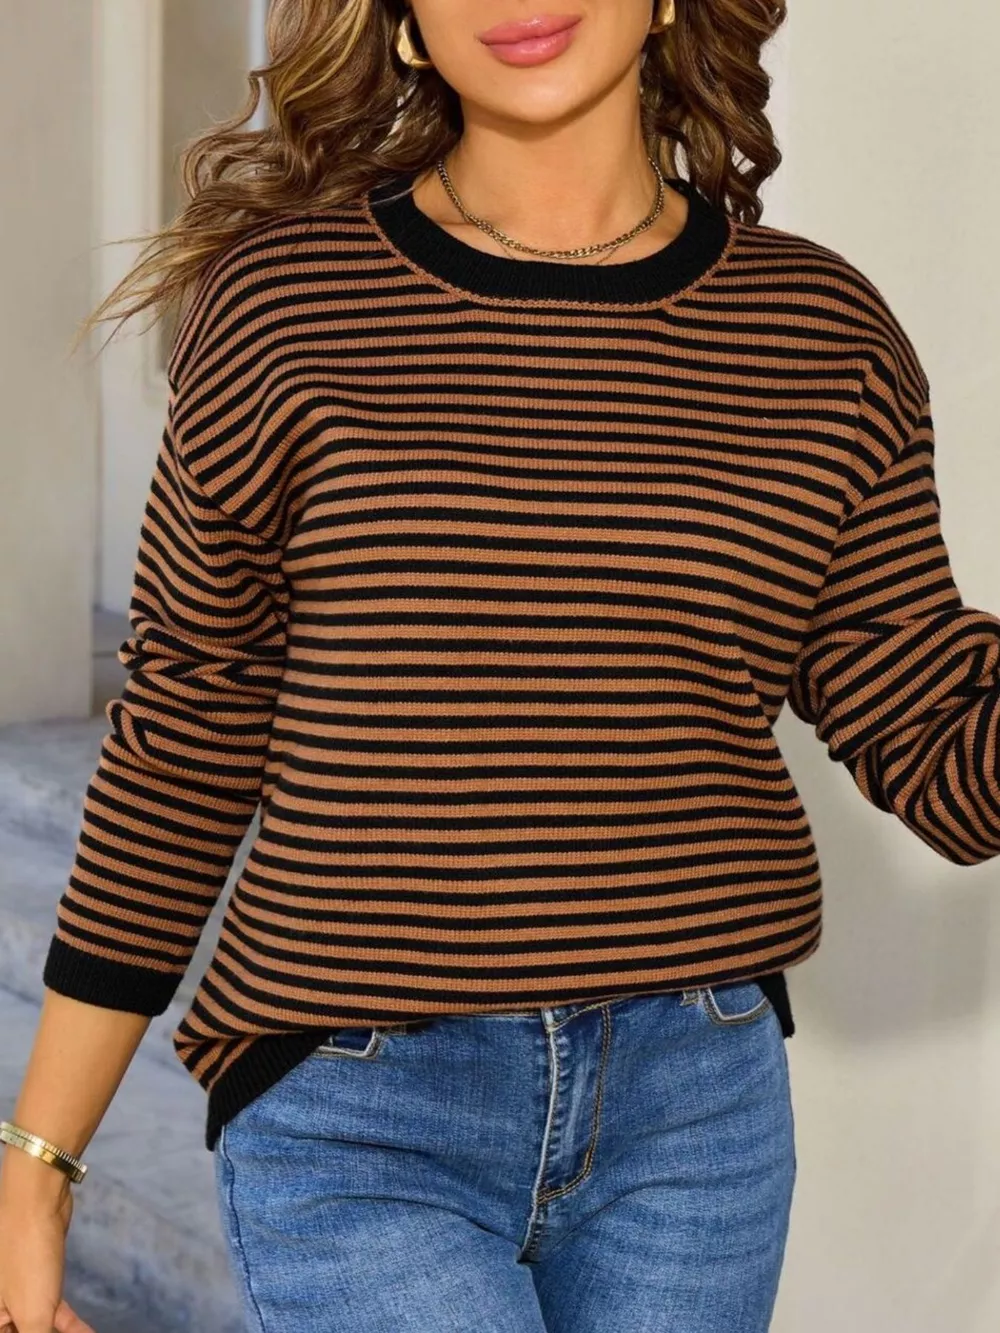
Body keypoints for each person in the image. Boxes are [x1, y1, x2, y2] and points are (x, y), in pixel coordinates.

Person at [3, 1, 1000, 1330]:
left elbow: (943, 753)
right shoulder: (285, 307)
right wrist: (39, 1168)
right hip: (358, 1109)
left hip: (693, 1114)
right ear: (407, 23)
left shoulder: (821, 333)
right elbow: (186, 739)